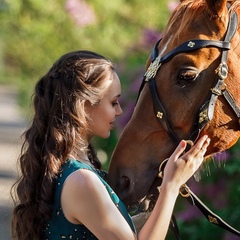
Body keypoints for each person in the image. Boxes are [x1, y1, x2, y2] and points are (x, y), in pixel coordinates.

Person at [11, 50, 210, 240]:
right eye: (113, 103)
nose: (120, 111)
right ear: (84, 106)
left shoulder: (75, 171)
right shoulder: (81, 181)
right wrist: (171, 184)